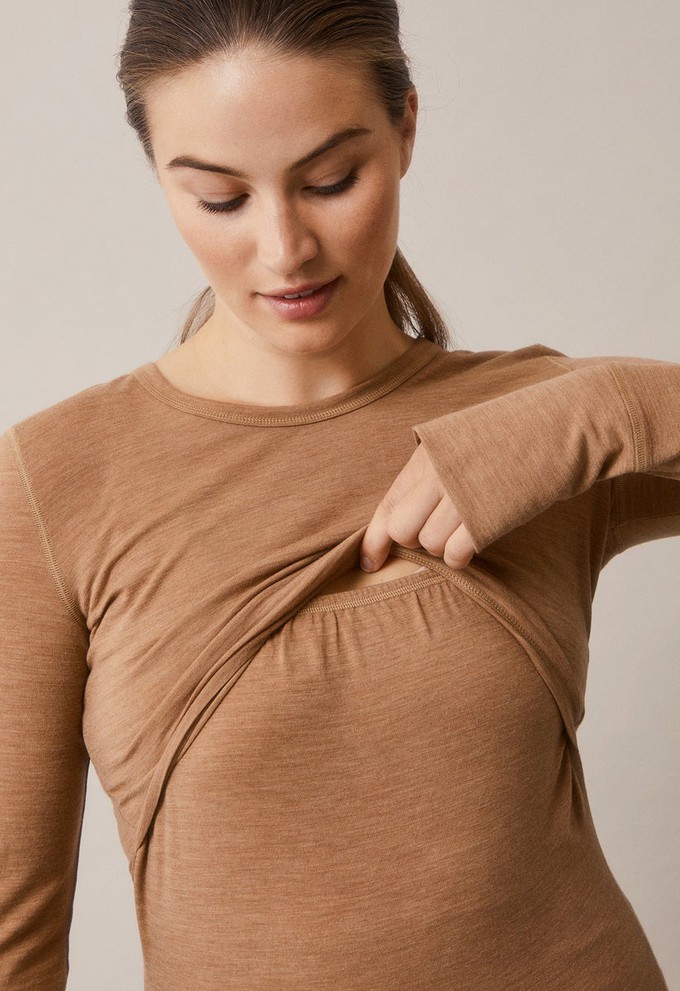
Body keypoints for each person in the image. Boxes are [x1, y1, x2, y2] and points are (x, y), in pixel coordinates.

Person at [0, 1, 678, 988]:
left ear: (405, 127)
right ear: (157, 175)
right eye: (220, 199)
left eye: (330, 181)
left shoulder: (541, 428)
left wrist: (611, 407)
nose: (284, 248)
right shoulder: (55, 480)